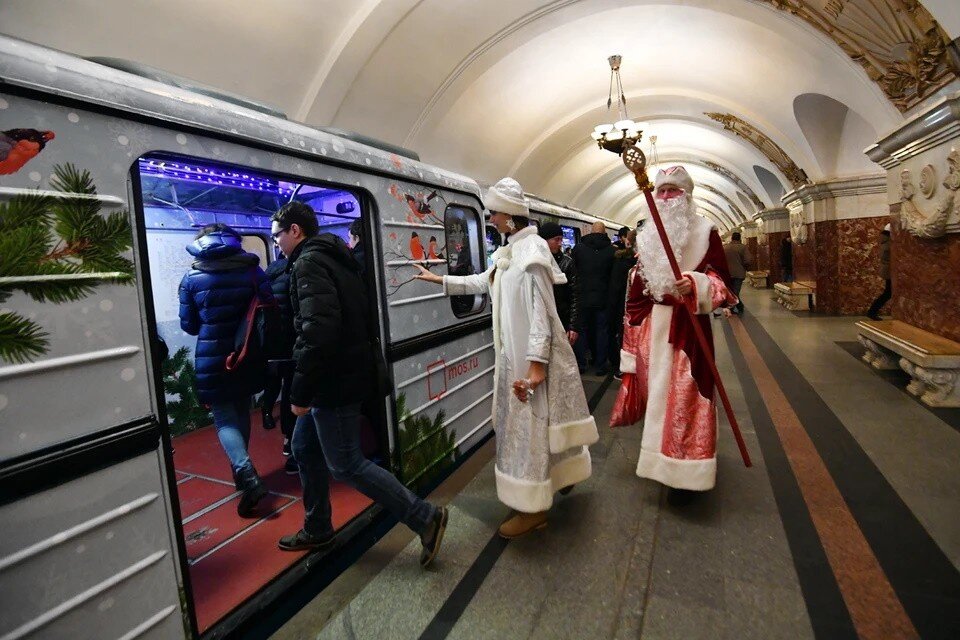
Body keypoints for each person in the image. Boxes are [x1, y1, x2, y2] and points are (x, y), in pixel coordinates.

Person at [415, 177, 598, 539]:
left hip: (528, 360)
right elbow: (482, 282)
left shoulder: (532, 254)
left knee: (529, 428)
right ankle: (562, 475)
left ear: (511, 216)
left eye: (494, 213)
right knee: (537, 425)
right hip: (513, 355)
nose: (491, 219)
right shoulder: (508, 253)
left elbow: (542, 314)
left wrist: (536, 366)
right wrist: (439, 280)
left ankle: (534, 509)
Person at [271, 202, 448, 567]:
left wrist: (300, 392)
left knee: (346, 464)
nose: (275, 243)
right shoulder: (337, 257)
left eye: (277, 236)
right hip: (342, 372)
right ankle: (318, 526)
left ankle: (425, 517)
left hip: (333, 379)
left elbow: (318, 331)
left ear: (295, 231)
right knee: (304, 447)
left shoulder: (308, 264)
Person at [612, 167, 735, 505]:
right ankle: (659, 461)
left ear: (687, 196)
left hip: (687, 331)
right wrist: (631, 338)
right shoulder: (647, 235)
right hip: (652, 331)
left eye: (673, 191)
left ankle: (685, 473)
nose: (666, 198)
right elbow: (637, 290)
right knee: (658, 400)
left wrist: (696, 284)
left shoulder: (706, 232)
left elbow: (723, 283)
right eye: (661, 191)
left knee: (686, 399)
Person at [179, 223, 274, 516]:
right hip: (247, 353)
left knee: (224, 419)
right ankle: (243, 476)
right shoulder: (253, 271)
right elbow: (269, 306)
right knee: (242, 410)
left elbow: (189, 325)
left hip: (213, 357)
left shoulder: (191, 278)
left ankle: (247, 475)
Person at [262, 254, 298, 474]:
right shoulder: (296, 271)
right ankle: (293, 439)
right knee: (293, 389)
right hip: (294, 340)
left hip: (274, 341)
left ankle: (283, 432)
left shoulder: (269, 273)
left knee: (277, 383)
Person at [571, 221, 616, 375]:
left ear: (590, 232)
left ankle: (581, 364)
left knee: (581, 330)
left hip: (582, 297)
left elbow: (574, 272)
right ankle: (600, 365)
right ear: (605, 233)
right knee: (602, 331)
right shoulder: (612, 251)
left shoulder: (578, 249)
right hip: (603, 298)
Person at [537, 222, 581, 348]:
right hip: (541, 319)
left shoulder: (567, 263)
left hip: (562, 317)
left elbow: (575, 295)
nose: (560, 243)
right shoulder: (537, 262)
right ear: (545, 241)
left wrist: (573, 326)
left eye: (561, 239)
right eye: (556, 239)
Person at [608, 229, 637, 378]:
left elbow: (615, 288)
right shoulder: (647, 265)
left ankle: (624, 368)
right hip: (642, 311)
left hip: (623, 308)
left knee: (624, 338)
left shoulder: (620, 262)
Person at [722, 231, 751, 315]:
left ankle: (738, 307)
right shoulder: (742, 247)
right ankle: (736, 307)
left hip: (727, 273)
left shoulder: (725, 248)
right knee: (735, 292)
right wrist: (746, 267)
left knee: (732, 292)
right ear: (740, 238)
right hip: (739, 273)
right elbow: (747, 260)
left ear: (731, 238)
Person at [867, 223, 892, 320]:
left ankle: (872, 311)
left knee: (888, 292)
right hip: (889, 271)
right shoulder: (889, 243)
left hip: (887, 270)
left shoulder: (885, 241)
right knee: (888, 293)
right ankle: (872, 311)